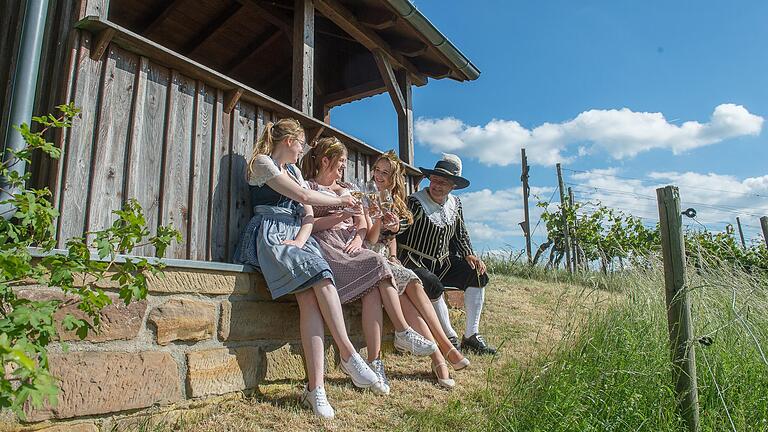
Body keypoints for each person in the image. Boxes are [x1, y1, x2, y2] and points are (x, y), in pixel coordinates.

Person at [234, 118, 378, 419]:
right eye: (301, 145)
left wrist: (301, 240)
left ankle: (317, 388)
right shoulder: (262, 163)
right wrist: (339, 198)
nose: (302, 152)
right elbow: (302, 196)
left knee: (318, 286)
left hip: (295, 236)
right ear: (289, 141)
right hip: (270, 232)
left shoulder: (295, 170)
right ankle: (348, 355)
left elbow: (308, 214)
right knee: (319, 280)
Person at [300, 137, 437, 395]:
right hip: (328, 245)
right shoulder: (309, 187)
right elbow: (308, 225)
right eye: (341, 162)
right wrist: (340, 216)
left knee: (374, 285)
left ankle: (376, 363)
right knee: (377, 261)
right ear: (325, 160)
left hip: (352, 245)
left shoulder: (350, 187)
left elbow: (363, 223)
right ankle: (402, 332)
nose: (343, 167)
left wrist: (357, 238)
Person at [365, 150, 470, 388]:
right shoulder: (367, 196)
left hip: (386, 258)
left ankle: (441, 355)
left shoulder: (394, 201)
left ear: (394, 179)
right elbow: (372, 237)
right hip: (368, 254)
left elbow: (392, 235)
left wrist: (393, 254)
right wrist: (384, 224)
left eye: (386, 173)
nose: (379, 176)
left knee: (412, 283)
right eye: (377, 171)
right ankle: (444, 353)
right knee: (412, 283)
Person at [397, 153, 497, 356]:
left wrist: (469, 254)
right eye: (434, 180)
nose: (436, 185)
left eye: (443, 182)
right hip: (414, 262)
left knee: (477, 274)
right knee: (432, 283)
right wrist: (393, 225)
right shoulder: (415, 202)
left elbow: (460, 232)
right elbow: (402, 224)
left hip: (443, 261)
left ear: (453, 186)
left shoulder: (456, 204)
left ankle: (471, 335)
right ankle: (449, 336)